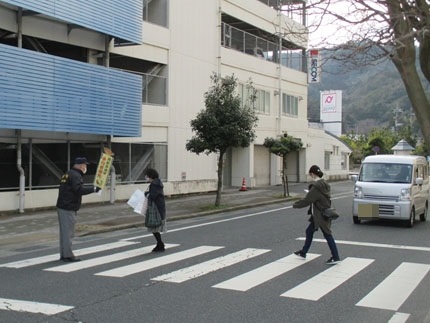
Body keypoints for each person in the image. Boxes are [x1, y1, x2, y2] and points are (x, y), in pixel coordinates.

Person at [292, 165, 341, 265]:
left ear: (313, 174)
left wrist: (295, 205)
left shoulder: (316, 187)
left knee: (327, 234)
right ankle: (303, 252)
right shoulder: (324, 184)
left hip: (320, 215)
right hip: (322, 214)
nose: (310, 176)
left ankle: (335, 257)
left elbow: (308, 200)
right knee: (309, 231)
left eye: (310, 174)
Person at [56, 157, 100, 262]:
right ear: (81, 165)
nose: (86, 167)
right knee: (68, 233)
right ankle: (68, 255)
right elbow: (79, 190)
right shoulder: (75, 175)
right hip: (68, 207)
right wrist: (94, 189)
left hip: (63, 206)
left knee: (64, 233)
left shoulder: (68, 173)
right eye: (85, 165)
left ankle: (64, 253)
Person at [145, 168, 166, 252]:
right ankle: (160, 244)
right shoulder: (157, 183)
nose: (146, 177)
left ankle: (160, 244)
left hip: (156, 209)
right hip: (159, 208)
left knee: (154, 226)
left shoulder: (154, 184)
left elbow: (153, 196)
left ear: (151, 176)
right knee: (154, 227)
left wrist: (145, 194)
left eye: (147, 176)